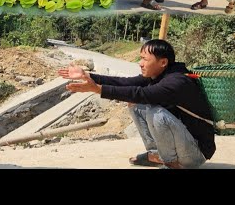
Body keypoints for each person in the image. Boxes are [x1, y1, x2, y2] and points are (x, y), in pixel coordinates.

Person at [58, 39, 216, 169]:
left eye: (145, 59)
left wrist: (97, 89)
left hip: (195, 153)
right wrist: (89, 75)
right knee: (135, 104)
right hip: (183, 142)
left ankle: (172, 164)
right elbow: (125, 83)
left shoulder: (177, 81)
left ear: (163, 62)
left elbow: (143, 94)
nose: (140, 63)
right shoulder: (160, 73)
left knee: (156, 113)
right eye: (140, 58)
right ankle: (156, 155)